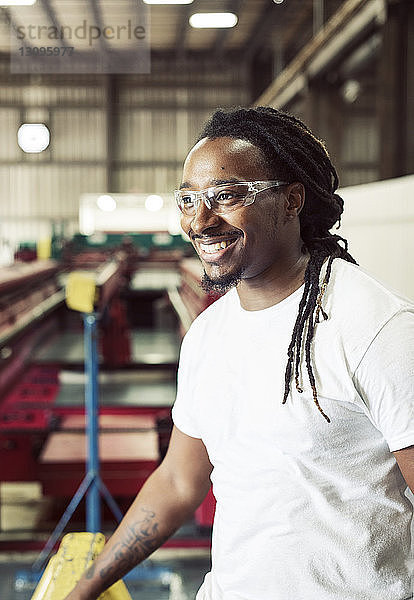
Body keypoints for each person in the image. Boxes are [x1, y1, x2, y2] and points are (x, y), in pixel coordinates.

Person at [66, 106, 414, 600]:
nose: (200, 220)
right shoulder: (209, 335)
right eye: (188, 200)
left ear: (292, 199)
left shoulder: (376, 328)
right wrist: (87, 586)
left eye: (226, 196)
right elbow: (179, 482)